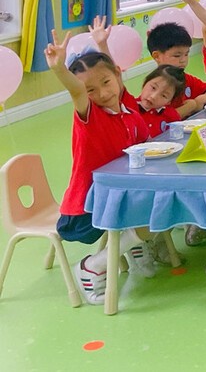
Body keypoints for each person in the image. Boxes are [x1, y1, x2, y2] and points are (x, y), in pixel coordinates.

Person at [45, 33, 157, 305]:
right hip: (87, 208)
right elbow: (76, 91)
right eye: (91, 90)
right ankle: (94, 265)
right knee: (156, 210)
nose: (103, 93)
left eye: (106, 82)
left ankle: (132, 243)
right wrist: (59, 69)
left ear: (118, 75)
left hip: (117, 195)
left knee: (160, 200)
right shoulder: (89, 116)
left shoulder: (129, 113)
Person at [146, 22, 206, 116]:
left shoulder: (186, 78)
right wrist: (191, 106)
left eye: (186, 54)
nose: (183, 60)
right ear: (157, 56)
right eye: (177, 55)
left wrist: (200, 100)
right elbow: (161, 120)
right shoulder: (154, 86)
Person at [134, 66, 186, 136]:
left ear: (169, 101)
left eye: (164, 95)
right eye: (153, 87)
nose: (153, 97)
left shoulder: (171, 116)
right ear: (145, 83)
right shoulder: (128, 109)